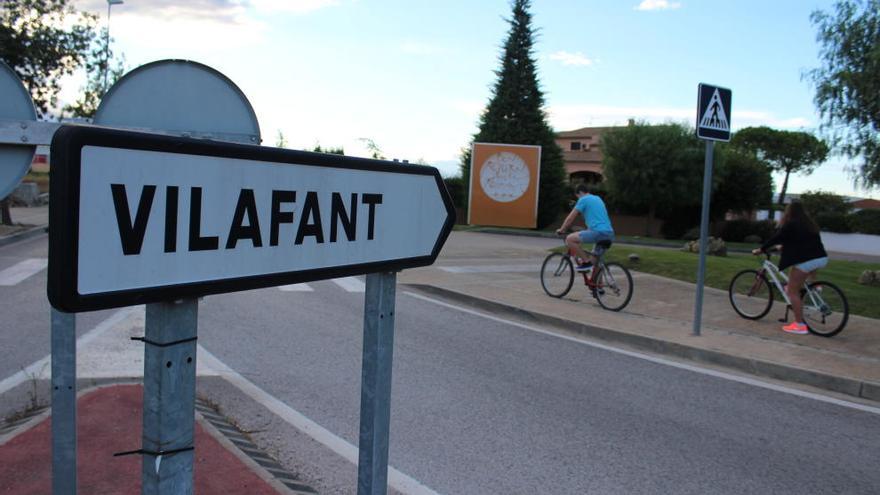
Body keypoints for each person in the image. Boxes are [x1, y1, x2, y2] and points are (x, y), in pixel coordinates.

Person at [752, 201, 828, 335]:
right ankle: (813, 289)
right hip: (821, 258)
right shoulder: (809, 224)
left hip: (807, 260)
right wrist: (781, 247)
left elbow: (777, 237)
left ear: (789, 211)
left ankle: (799, 325)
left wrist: (762, 249)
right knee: (795, 278)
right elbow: (801, 241)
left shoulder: (791, 223)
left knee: (792, 291)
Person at [556, 184, 615, 273]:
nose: (578, 199)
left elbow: (570, 218)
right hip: (609, 233)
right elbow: (595, 219)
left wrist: (562, 229)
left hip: (598, 232)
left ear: (580, 192)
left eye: (577, 197)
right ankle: (597, 284)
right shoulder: (597, 198)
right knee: (595, 260)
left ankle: (586, 262)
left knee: (570, 239)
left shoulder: (583, 199)